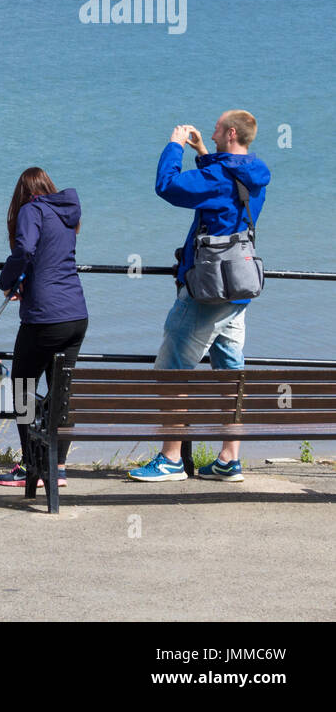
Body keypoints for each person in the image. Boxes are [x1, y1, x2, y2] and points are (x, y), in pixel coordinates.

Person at [129, 112, 270, 483]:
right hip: (238, 288)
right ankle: (228, 459)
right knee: (230, 373)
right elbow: (224, 183)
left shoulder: (220, 178)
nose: (212, 131)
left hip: (206, 292)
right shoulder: (254, 174)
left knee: (171, 370)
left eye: (217, 129)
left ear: (232, 132)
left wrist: (174, 145)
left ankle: (172, 458)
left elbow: (168, 186)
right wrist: (205, 151)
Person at [0, 168, 88, 489]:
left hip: (44, 318)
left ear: (22, 194)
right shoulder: (65, 213)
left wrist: (7, 282)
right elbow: (48, 258)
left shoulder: (31, 210)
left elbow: (26, 250)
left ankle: (32, 465)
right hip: (76, 315)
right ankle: (57, 467)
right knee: (61, 393)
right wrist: (27, 279)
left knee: (21, 388)